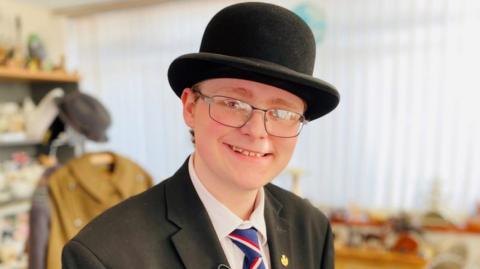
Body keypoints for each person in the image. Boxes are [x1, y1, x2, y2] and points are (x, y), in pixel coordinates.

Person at [62, 2, 340, 269]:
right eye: (234, 104)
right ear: (190, 106)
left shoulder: (311, 229)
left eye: (282, 113)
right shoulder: (104, 254)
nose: (256, 131)